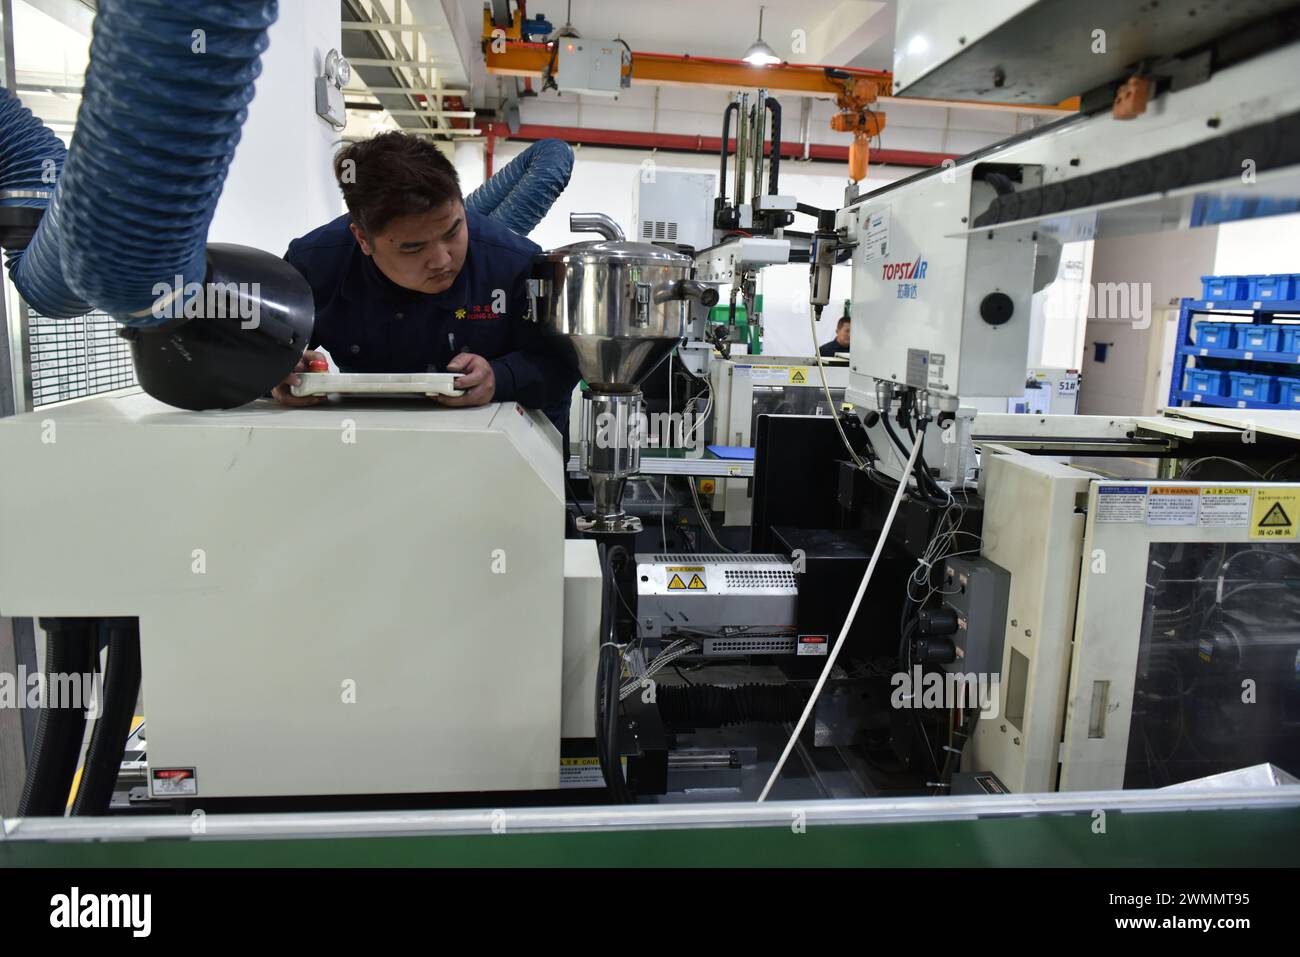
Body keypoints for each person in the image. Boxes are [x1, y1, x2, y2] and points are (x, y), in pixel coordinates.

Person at [273, 131, 578, 429]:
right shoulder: (316, 263)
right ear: (363, 239)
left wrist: (501, 377)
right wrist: (277, 372)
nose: (443, 260)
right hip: (367, 434)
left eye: (453, 232)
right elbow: (248, 351)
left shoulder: (515, 264)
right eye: (413, 248)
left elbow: (561, 365)